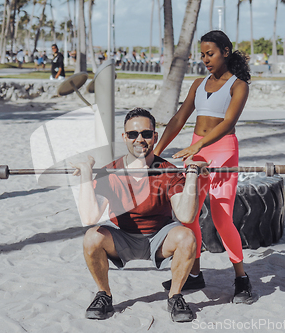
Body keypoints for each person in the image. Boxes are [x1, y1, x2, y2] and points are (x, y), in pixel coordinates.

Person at [71, 108, 208, 322]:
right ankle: (104, 295)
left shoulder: (168, 170)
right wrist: (87, 173)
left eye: (146, 134)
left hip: (159, 237)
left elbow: (186, 216)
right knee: (91, 237)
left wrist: (191, 173)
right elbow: (89, 217)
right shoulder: (111, 172)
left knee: (187, 237)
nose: (140, 139)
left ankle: (175, 296)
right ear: (125, 137)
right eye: (133, 134)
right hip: (121, 236)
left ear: (155, 136)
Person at [153, 30, 256, 304]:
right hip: (196, 150)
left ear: (225, 51)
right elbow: (178, 118)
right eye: (202, 54)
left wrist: (199, 147)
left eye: (210, 53)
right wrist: (156, 151)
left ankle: (241, 277)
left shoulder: (238, 85)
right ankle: (195, 273)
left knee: (222, 219)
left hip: (222, 152)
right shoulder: (198, 83)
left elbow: (228, 123)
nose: (205, 59)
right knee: (188, 216)